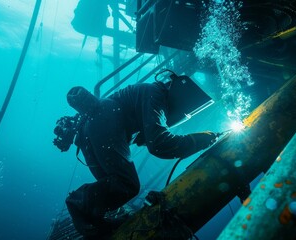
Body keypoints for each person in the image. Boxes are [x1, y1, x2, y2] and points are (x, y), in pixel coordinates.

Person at [58, 81, 218, 237]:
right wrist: (203, 139)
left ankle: (97, 225)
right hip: (104, 117)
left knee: (109, 186)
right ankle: (77, 202)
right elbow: (160, 144)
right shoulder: (155, 94)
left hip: (89, 129)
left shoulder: (143, 95)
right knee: (126, 184)